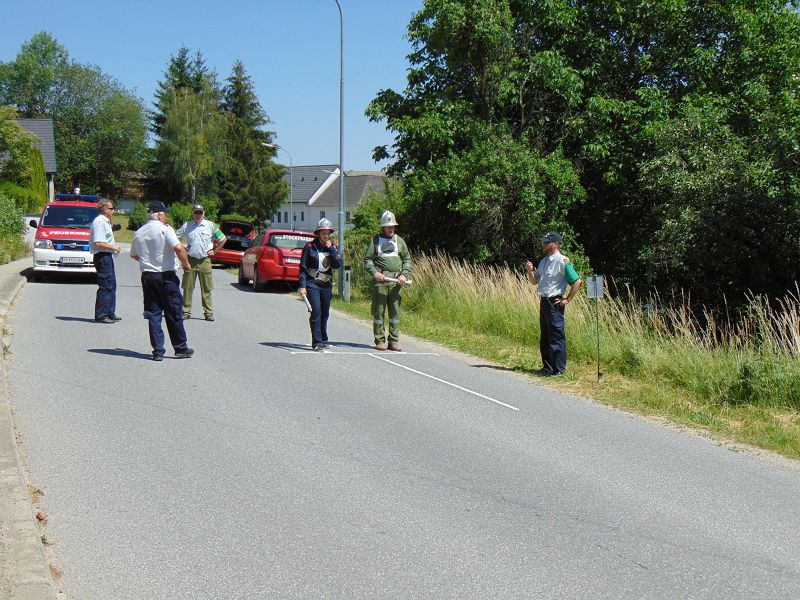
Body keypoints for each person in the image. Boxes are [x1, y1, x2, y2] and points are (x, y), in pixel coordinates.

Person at [130, 201, 194, 361]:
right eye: (164, 213)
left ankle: (158, 351)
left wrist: (148, 261)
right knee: (173, 311)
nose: (166, 216)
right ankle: (180, 348)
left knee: (154, 313)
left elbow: (134, 254)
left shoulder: (139, 232)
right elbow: (178, 248)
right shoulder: (165, 229)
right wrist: (185, 264)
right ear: (159, 215)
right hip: (166, 276)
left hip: (148, 276)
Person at [525, 231, 582, 376]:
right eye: (543, 241)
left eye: (547, 242)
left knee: (556, 336)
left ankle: (558, 370)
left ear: (556, 244)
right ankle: (547, 368)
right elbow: (534, 281)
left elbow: (577, 281)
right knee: (545, 336)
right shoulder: (544, 261)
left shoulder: (562, 260)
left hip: (555, 302)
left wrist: (567, 300)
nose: (543, 244)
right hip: (544, 301)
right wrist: (530, 271)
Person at [364, 210, 412, 351]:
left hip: (396, 282)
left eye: (393, 226)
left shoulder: (400, 241)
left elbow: (407, 259)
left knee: (395, 313)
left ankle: (393, 341)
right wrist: (374, 273)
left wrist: (404, 274)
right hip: (381, 282)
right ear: (383, 227)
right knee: (379, 312)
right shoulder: (375, 241)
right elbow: (367, 260)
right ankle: (379, 340)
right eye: (388, 226)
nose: (391, 229)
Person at [176, 204, 226, 321]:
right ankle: (186, 311)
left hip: (205, 260)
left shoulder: (211, 225)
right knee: (187, 287)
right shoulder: (187, 225)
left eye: (200, 212)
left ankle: (208, 313)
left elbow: (223, 239)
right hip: (191, 260)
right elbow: (175, 237)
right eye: (196, 212)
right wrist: (183, 247)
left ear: (204, 213)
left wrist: (215, 250)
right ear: (192, 213)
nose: (198, 215)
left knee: (207, 288)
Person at [298, 218, 342, 351]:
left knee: (325, 313)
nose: (326, 235)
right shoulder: (310, 247)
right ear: (318, 233)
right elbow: (303, 267)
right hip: (313, 283)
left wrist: (332, 251)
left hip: (326, 284)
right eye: (323, 233)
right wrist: (302, 285)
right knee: (316, 311)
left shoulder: (333, 247)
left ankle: (323, 339)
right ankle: (316, 342)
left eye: (328, 233)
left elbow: (337, 265)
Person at [89, 198, 121, 323]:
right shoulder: (100, 222)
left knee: (112, 286)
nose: (114, 210)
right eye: (111, 208)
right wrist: (114, 247)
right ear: (104, 209)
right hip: (102, 256)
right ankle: (101, 315)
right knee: (106, 286)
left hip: (107, 256)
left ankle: (110, 312)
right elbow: (98, 243)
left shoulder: (106, 222)